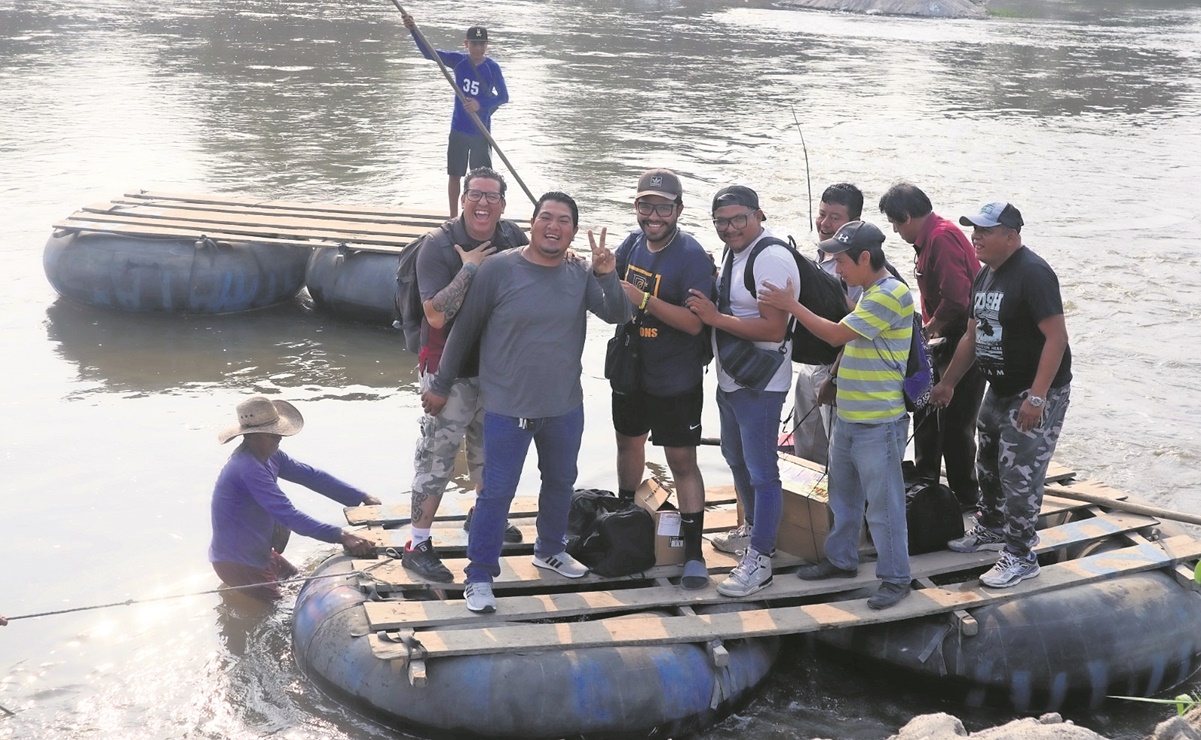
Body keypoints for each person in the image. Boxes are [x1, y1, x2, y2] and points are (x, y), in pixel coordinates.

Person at [423, 192, 633, 614]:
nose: (553, 227)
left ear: (573, 231)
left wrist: (607, 274)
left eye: (564, 221)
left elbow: (618, 314)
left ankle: (550, 548)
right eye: (546, 218)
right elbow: (464, 331)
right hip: (507, 406)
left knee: (560, 481)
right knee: (496, 492)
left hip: (563, 404)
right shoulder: (500, 269)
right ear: (532, 223)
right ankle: (480, 574)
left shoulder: (578, 271)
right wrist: (442, 383)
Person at [762, 220, 915, 610]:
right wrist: (832, 378)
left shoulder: (891, 294)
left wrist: (792, 305)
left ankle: (896, 578)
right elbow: (852, 344)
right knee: (842, 497)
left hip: (878, 422)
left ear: (866, 257)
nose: (838, 269)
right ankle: (841, 559)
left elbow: (835, 335)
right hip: (849, 413)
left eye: (842, 261)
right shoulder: (866, 292)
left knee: (884, 507)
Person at [932, 202, 1072, 589]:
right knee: (988, 462)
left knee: (1019, 474)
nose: (976, 236)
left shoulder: (1033, 274)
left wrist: (1038, 398)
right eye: (974, 229)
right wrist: (949, 383)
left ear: (1012, 236)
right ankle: (992, 529)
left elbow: (1056, 338)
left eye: (986, 231)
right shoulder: (985, 276)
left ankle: (1022, 555)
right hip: (1000, 388)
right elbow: (972, 337)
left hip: (1036, 390)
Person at [403, 167, 529, 584]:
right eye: (475, 194)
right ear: (463, 200)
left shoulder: (511, 238)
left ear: (503, 205)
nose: (483, 204)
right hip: (447, 370)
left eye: (492, 197)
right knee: (437, 455)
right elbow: (436, 314)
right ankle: (417, 543)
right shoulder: (437, 246)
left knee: (488, 452)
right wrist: (470, 268)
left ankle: (481, 517)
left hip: (496, 368)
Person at [684, 185, 799, 598]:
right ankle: (751, 529)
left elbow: (774, 327)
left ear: (758, 214)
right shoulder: (737, 252)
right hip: (732, 376)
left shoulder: (769, 257)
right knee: (735, 457)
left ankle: (762, 560)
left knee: (763, 471)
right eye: (721, 221)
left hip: (762, 384)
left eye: (738, 219)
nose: (730, 228)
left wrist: (715, 317)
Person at [610, 168, 716, 590]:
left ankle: (693, 552)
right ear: (636, 207)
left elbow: (695, 325)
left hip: (675, 376)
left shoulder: (691, 255)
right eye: (646, 205)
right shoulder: (631, 243)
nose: (654, 216)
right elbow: (608, 286)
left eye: (663, 207)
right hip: (632, 369)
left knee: (682, 462)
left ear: (678, 210)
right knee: (627, 442)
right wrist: (597, 270)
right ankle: (624, 517)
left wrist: (645, 300)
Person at [209, 396, 380, 602]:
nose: (279, 438)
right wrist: (343, 536)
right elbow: (289, 515)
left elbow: (311, 476)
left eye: (278, 432)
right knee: (281, 608)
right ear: (251, 436)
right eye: (272, 435)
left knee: (300, 581)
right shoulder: (247, 469)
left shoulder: (272, 456)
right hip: (238, 562)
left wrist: (360, 497)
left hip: (260, 553)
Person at [879, 182, 986, 510]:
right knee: (925, 413)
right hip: (942, 342)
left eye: (896, 224)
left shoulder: (941, 238)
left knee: (955, 425)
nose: (896, 231)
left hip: (963, 341)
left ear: (908, 217)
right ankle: (926, 485)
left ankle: (966, 499)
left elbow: (957, 299)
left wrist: (928, 328)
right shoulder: (930, 239)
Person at [402, 14, 509, 217]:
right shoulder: (458, 61)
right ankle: (453, 218)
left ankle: (482, 215)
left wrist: (481, 104)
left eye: (482, 44)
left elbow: (503, 97)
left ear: (487, 45)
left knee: (482, 178)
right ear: (466, 44)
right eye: (474, 44)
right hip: (459, 129)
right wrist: (413, 29)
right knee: (455, 174)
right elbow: (429, 53)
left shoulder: (492, 67)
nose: (478, 49)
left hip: (480, 132)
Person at [789, 183, 862, 464]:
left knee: (839, 452)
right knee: (807, 448)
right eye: (822, 214)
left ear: (853, 222)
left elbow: (855, 332)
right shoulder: (820, 256)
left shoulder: (856, 267)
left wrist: (832, 378)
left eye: (835, 218)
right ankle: (811, 506)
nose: (824, 223)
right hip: (811, 365)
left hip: (839, 368)